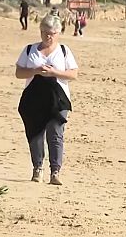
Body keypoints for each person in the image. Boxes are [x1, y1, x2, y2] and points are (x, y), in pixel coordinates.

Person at [16, 14, 79, 185]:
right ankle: (37, 169)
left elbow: (73, 74)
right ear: (40, 31)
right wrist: (35, 71)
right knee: (35, 133)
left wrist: (54, 73)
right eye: (45, 32)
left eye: (52, 33)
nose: (48, 36)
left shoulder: (64, 51)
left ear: (58, 33)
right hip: (34, 97)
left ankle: (55, 172)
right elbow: (18, 73)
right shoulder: (30, 50)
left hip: (57, 99)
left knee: (55, 133)